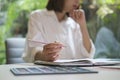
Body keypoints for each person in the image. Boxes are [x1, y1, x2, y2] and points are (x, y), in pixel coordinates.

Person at [22, 0, 95, 63]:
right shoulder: (37, 17)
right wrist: (44, 56)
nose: (77, 1)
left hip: (71, 74)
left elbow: (87, 54)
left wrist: (83, 25)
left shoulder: (74, 23)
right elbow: (34, 51)